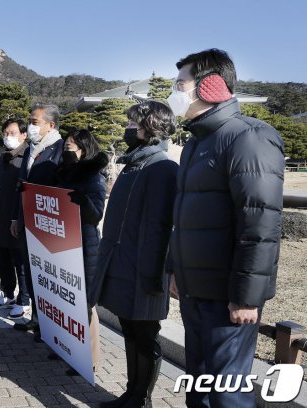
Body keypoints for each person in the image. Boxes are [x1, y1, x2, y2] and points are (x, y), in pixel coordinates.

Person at [168, 49, 284, 407]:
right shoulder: (197, 144)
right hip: (195, 291)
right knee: (200, 387)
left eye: (180, 83)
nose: (174, 91)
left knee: (227, 392)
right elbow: (185, 218)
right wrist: (176, 273)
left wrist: (247, 296)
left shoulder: (249, 137)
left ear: (212, 86)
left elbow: (260, 222)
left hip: (227, 297)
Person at [96, 101, 179, 408]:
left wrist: (160, 274)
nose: (128, 128)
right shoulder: (134, 165)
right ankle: (131, 393)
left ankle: (141, 399)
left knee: (145, 335)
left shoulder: (164, 168)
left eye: (134, 123)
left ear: (151, 127)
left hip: (146, 271)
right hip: (121, 264)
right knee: (129, 330)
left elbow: (164, 228)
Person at [55, 129, 108, 375]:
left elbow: (96, 214)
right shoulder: (63, 173)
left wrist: (82, 201)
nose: (66, 151)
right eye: (65, 147)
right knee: (66, 298)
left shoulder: (93, 176)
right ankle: (68, 347)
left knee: (86, 304)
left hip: (85, 245)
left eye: (71, 147)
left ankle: (91, 358)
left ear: (84, 150)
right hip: (64, 243)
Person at [10, 103, 64, 328]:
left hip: (48, 224)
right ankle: (36, 318)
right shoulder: (31, 148)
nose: (31, 127)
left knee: (47, 275)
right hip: (26, 220)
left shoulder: (61, 149)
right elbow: (21, 185)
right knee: (30, 270)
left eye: (35, 122)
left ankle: (50, 325)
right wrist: (16, 217)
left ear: (51, 125)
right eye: (30, 121)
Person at [0, 119, 29, 314]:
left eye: (12, 133)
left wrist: (18, 218)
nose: (7, 137)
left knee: (19, 261)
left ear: (24, 134)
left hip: (16, 219)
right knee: (1, 258)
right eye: (5, 133)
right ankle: (7, 293)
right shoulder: (3, 158)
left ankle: (24, 300)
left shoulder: (28, 157)